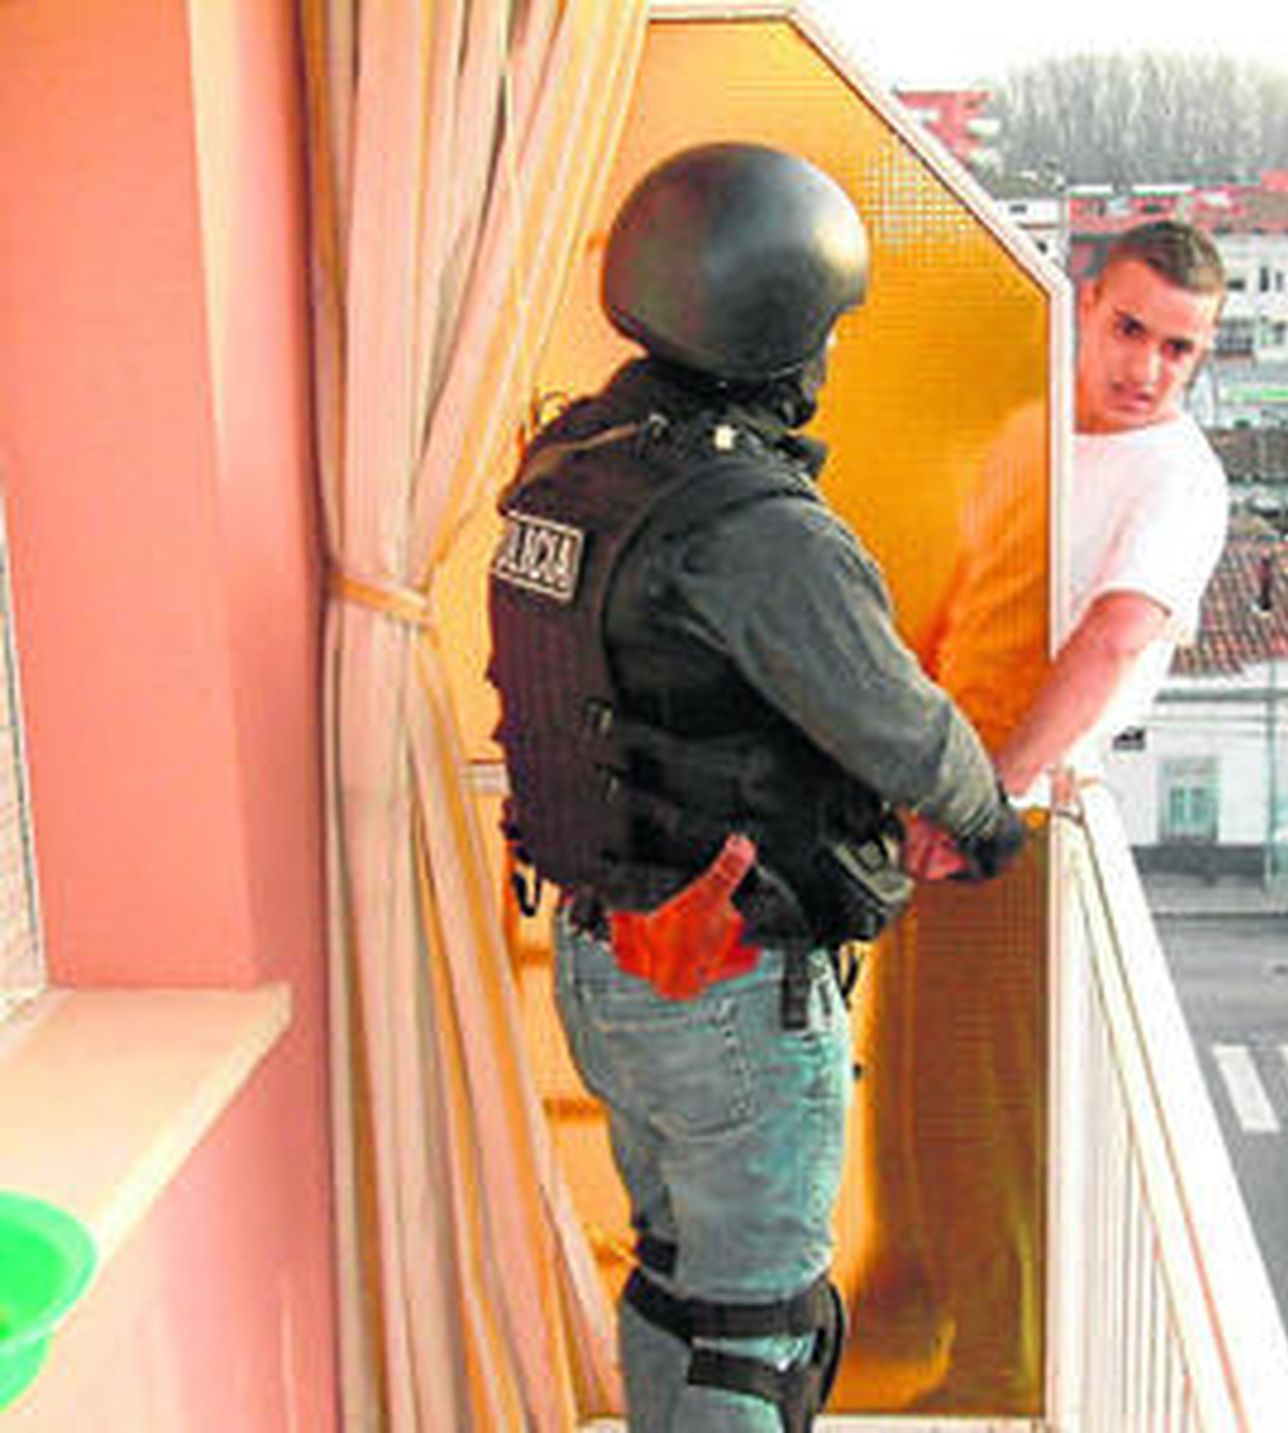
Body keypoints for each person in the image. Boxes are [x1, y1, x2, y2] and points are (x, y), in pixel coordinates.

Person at [486, 142, 1025, 1433]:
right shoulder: (752, 524)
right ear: (780, 324)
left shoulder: (571, 463)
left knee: (675, 1274)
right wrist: (988, 822)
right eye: (824, 326)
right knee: (760, 1325)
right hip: (725, 977)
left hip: (607, 955)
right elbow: (904, 729)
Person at [883, 220, 1229, 1411]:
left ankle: (995, 1368)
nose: (1148, 368)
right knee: (927, 1097)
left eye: (1179, 349)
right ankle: (945, 1331)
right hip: (941, 807)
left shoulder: (1179, 479)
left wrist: (987, 799)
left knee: (984, 1111)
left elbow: (1114, 638)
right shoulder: (1028, 429)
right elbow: (957, 601)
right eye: (1131, 329)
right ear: (1083, 305)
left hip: (1018, 828)